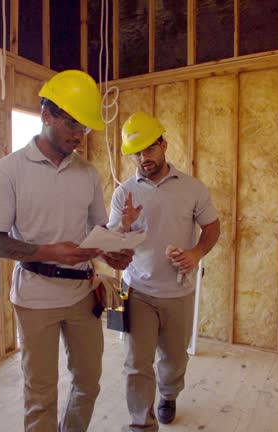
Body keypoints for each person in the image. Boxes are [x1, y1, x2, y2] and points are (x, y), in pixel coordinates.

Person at [0, 70, 134, 432]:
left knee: (89, 382)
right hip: (35, 300)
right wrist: (50, 251)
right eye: (71, 124)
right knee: (41, 393)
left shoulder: (87, 173)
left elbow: (98, 232)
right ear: (46, 114)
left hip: (83, 294)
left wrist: (112, 252)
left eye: (84, 129)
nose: (78, 136)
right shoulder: (10, 170)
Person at [109, 112, 221, 431]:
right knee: (135, 362)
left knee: (173, 359)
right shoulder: (123, 194)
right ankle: (140, 422)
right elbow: (113, 248)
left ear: (164, 145)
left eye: (150, 148)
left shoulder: (192, 188)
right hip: (134, 290)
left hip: (178, 290)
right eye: (137, 152)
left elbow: (212, 227)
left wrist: (195, 253)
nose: (144, 157)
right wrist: (124, 226)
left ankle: (169, 394)